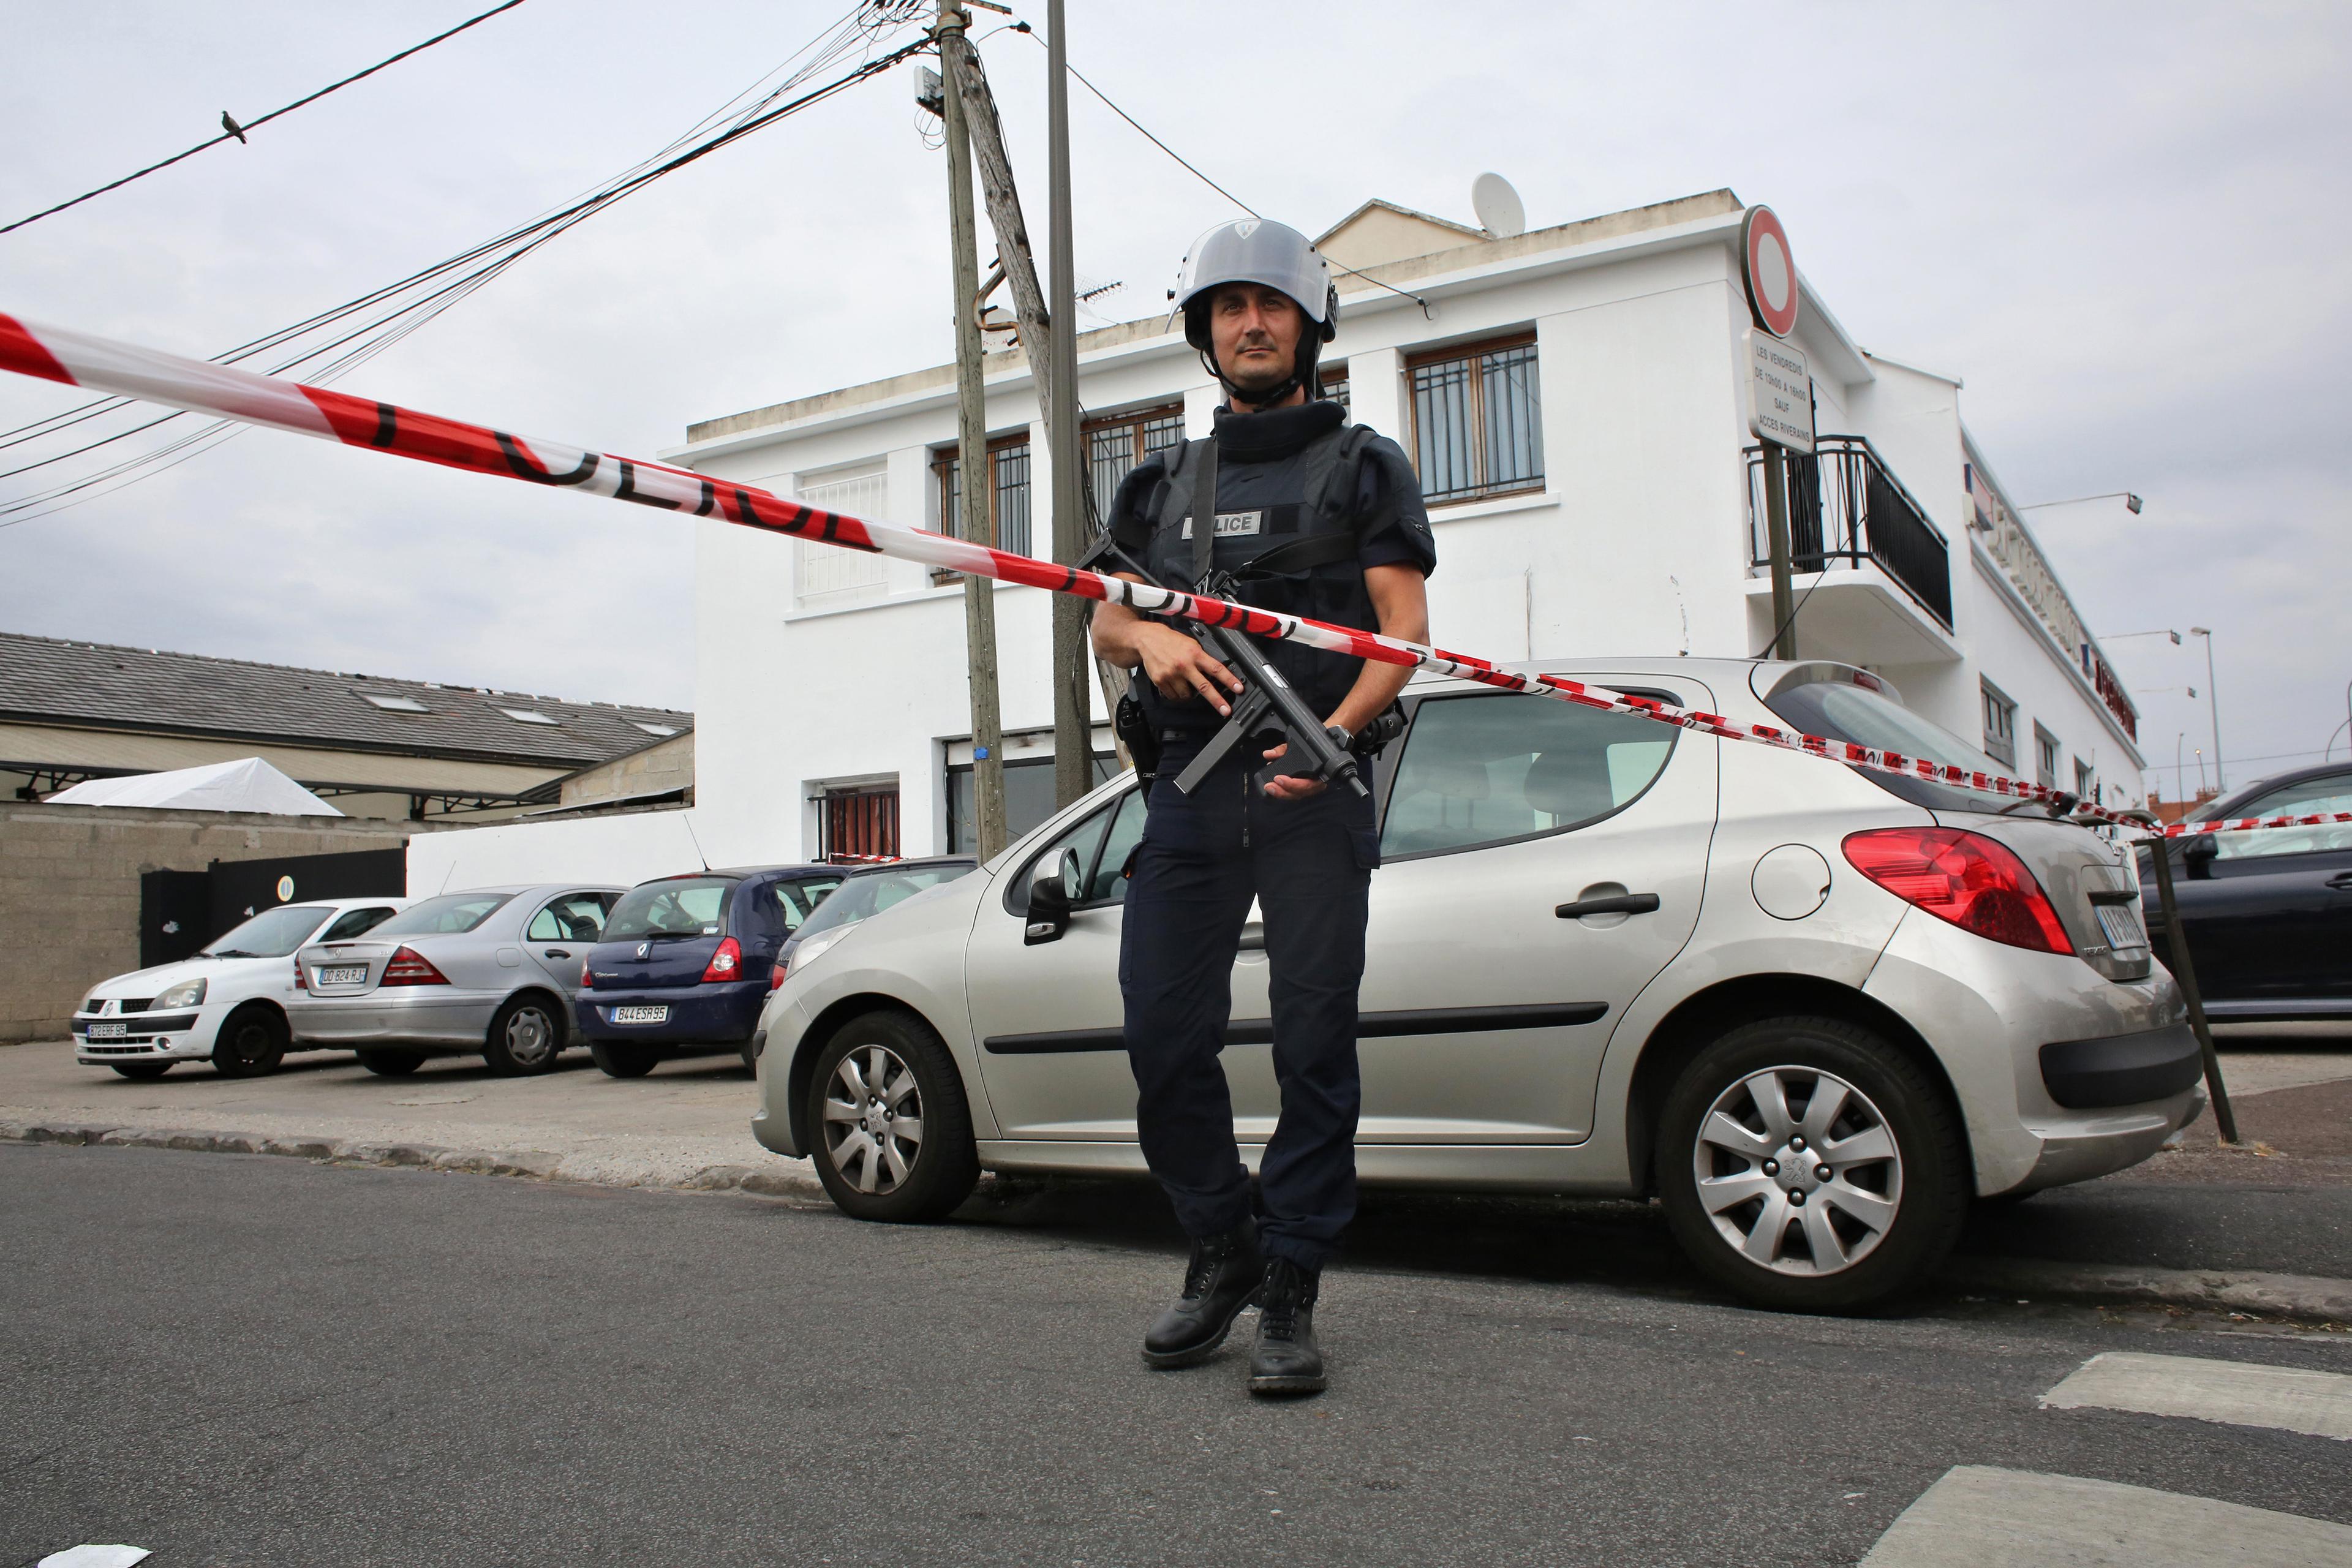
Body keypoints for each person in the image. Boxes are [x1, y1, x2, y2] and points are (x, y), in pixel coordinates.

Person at [1089, 218, 1435, 1396]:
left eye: (1271, 306)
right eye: (1230, 307)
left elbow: (1403, 640)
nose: (1251, 323)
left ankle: (1291, 1282)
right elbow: (1104, 619)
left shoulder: (1366, 467)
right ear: (1203, 333)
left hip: (1311, 788)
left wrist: (1334, 739)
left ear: (1308, 327)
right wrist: (1152, 643)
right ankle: (1222, 1246)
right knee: (1159, 1035)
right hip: (1188, 791)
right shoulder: (1157, 481)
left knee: (1311, 1041)